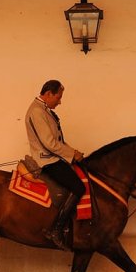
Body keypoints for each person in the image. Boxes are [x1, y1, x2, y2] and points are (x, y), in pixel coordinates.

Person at [25, 80, 85, 250]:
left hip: (55, 157)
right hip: (47, 160)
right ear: (49, 93)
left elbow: (57, 140)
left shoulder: (44, 110)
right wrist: (72, 154)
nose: (60, 101)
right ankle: (56, 230)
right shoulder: (37, 112)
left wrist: (73, 152)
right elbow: (50, 143)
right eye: (58, 97)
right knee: (78, 187)